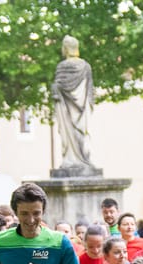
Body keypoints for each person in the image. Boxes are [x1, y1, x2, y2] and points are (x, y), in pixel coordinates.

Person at [52, 34, 97, 175]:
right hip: (82, 111)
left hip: (67, 111)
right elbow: (89, 92)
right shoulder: (86, 67)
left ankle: (71, 159)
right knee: (83, 133)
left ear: (66, 48)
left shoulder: (62, 67)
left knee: (68, 134)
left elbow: (58, 87)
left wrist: (55, 88)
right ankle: (83, 158)